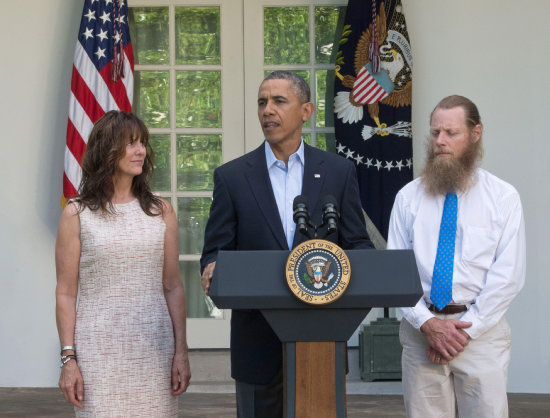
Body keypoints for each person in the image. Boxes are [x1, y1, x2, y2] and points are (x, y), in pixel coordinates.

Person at [200, 71, 373, 417]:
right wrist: (213, 266)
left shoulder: (338, 172)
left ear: (306, 111)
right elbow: (215, 251)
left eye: (279, 101)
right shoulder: (232, 177)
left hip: (321, 340)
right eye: (262, 102)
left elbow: (358, 245)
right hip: (256, 345)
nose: (268, 110)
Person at [387, 95, 526, 417]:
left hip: (480, 335)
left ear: (475, 133)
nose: (440, 142)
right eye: (435, 133)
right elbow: (396, 271)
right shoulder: (408, 198)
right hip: (421, 332)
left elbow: (508, 277)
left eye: (451, 133)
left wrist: (460, 333)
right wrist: (429, 325)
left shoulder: (503, 198)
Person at [55, 111, 191, 416]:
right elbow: (65, 292)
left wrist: (181, 350)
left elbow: (172, 286)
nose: (140, 150)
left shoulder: (161, 210)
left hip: (155, 350)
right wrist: (69, 359)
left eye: (142, 143)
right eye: (131, 143)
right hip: (97, 352)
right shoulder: (77, 214)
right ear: (107, 149)